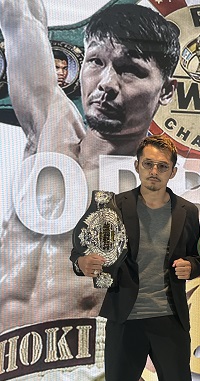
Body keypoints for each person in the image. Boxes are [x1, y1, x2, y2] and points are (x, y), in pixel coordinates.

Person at [0, 1, 180, 334]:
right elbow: (21, 17)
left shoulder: (159, 197)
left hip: (81, 360)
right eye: (96, 61)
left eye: (129, 69)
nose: (106, 83)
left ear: (166, 90)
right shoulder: (51, 130)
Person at [70, 135, 200, 381]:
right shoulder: (112, 207)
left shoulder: (187, 211)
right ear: (137, 166)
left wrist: (192, 266)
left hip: (170, 318)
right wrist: (82, 263)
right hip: (126, 318)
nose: (154, 171)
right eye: (148, 164)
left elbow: (199, 258)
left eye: (162, 166)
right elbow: (80, 249)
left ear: (173, 172)